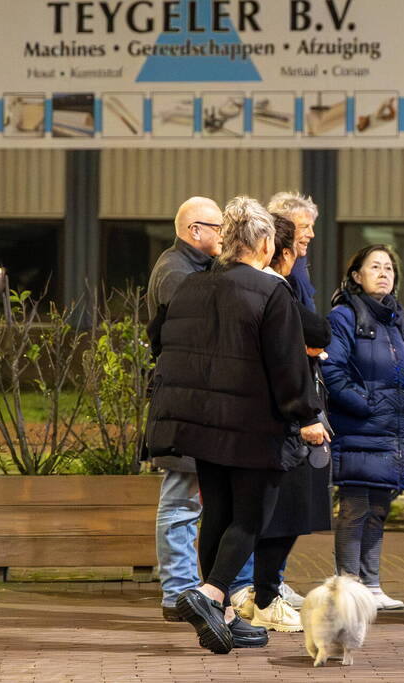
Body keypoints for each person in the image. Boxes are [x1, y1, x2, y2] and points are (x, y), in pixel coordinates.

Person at [146, 196, 330, 654]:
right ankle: (209, 596)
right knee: (250, 517)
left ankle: (226, 616)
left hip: (201, 424)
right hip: (253, 426)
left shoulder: (192, 285)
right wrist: (307, 416)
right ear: (265, 243)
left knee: (218, 515)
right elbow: (287, 363)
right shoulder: (270, 292)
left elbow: (161, 342)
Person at [229, 214, 334, 632]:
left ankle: (256, 594)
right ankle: (262, 595)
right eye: (300, 246)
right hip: (280, 419)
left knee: (267, 512)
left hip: (257, 416)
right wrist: (307, 412)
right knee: (279, 511)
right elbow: (315, 330)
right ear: (278, 251)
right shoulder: (273, 288)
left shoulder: (250, 286)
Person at [321, 245, 404, 611]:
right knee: (355, 507)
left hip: (391, 430)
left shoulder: (394, 319)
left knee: (380, 506)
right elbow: (331, 371)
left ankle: (373, 585)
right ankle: (348, 587)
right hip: (359, 427)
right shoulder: (344, 316)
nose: (384, 273)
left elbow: (403, 372)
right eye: (375, 267)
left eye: (389, 269)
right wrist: (365, 404)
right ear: (356, 275)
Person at [145, 196, 223, 623]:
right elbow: (195, 337)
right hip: (183, 401)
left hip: (189, 399)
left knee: (187, 499)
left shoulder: (194, 269)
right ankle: (177, 593)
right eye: (217, 227)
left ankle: (185, 590)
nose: (223, 235)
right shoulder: (176, 272)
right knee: (180, 500)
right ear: (194, 230)